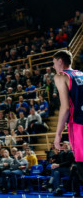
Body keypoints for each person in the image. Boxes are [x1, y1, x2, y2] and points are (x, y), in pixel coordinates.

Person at [53, 50, 83, 185]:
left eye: (54, 63)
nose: (53, 67)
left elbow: (65, 107)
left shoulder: (60, 76)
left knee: (81, 166)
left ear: (60, 61)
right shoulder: (81, 74)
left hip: (78, 123)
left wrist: (58, 134)